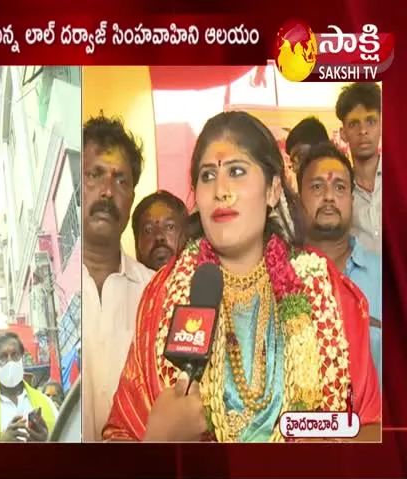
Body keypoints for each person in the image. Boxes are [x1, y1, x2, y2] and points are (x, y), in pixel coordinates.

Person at [103, 111, 380, 443]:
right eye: (207, 176)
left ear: (273, 189)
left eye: (236, 172)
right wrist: (158, 441)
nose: (221, 191)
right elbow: (120, 434)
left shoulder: (325, 289)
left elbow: (371, 426)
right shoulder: (162, 296)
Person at [82, 113, 155, 441]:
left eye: (121, 180)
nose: (108, 192)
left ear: (132, 199)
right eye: (94, 175)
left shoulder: (157, 293)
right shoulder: (53, 292)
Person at [297, 140, 381, 385]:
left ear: (353, 200)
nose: (329, 197)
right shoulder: (279, 276)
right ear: (298, 199)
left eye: (340, 187)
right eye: (316, 187)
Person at [0, 332, 58, 442]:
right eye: (3, 357)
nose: (10, 362)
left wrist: (47, 440)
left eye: (15, 355)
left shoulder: (46, 403)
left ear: (22, 359)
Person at [336, 82, 382, 254]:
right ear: (343, 134)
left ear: (381, 126)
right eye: (354, 124)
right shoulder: (340, 191)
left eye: (370, 121)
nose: (363, 131)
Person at [132, 190, 188, 271]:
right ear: (137, 244)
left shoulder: (203, 280)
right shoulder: (124, 283)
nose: (159, 236)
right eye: (148, 230)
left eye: (170, 227)